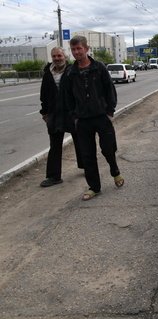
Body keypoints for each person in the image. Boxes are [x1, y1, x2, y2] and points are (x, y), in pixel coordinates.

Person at [64, 35, 124, 201]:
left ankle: (115, 171)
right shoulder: (70, 72)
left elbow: (109, 90)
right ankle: (94, 187)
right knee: (87, 155)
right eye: (73, 49)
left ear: (86, 48)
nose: (76, 52)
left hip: (101, 117)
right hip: (82, 120)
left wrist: (109, 111)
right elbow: (67, 97)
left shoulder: (99, 67)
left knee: (108, 148)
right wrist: (74, 116)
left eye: (79, 48)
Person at [39, 47, 83, 187]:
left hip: (72, 114)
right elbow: (44, 95)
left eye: (59, 55)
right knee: (55, 146)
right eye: (54, 56)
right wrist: (44, 113)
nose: (57, 58)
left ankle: (87, 168)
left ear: (65, 56)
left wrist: (80, 112)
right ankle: (54, 176)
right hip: (54, 115)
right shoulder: (47, 73)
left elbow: (80, 92)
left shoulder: (72, 70)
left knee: (81, 142)